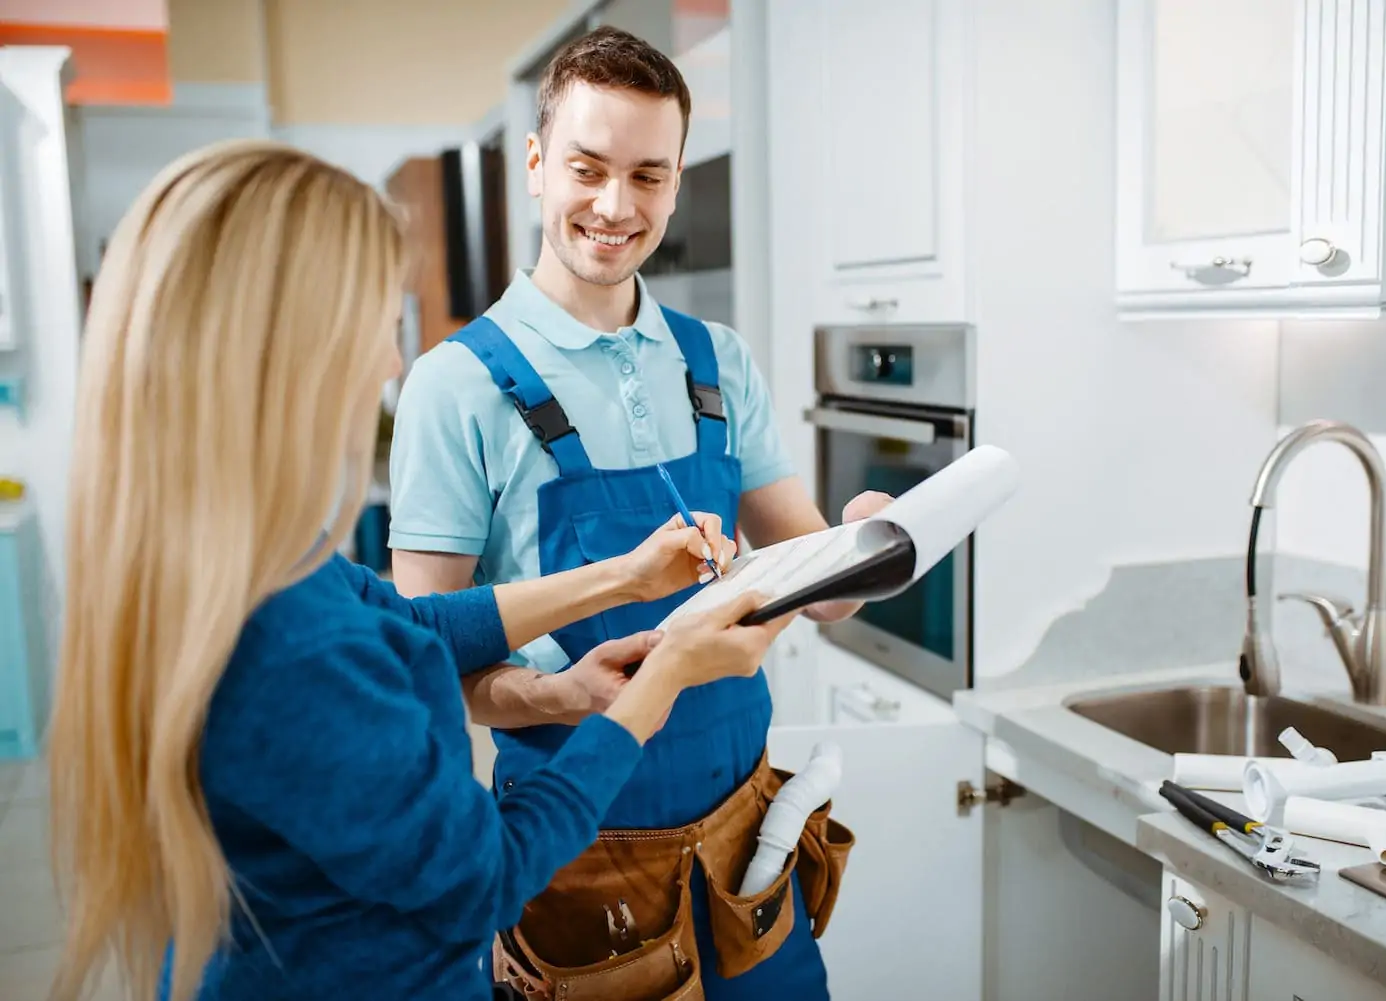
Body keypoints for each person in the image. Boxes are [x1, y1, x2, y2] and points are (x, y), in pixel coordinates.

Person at [45, 139, 797, 1001]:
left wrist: (622, 579)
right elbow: (485, 874)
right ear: (290, 352)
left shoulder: (239, 566)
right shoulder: (293, 647)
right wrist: (660, 679)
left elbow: (412, 623)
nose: (389, 361)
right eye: (374, 322)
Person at [388, 26, 890, 1001]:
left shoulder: (718, 360)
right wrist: (558, 694)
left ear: (675, 178)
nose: (617, 207)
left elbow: (819, 593)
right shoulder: (454, 388)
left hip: (752, 846)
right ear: (536, 166)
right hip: (579, 862)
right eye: (588, 168)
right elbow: (419, 670)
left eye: (649, 177)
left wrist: (867, 547)